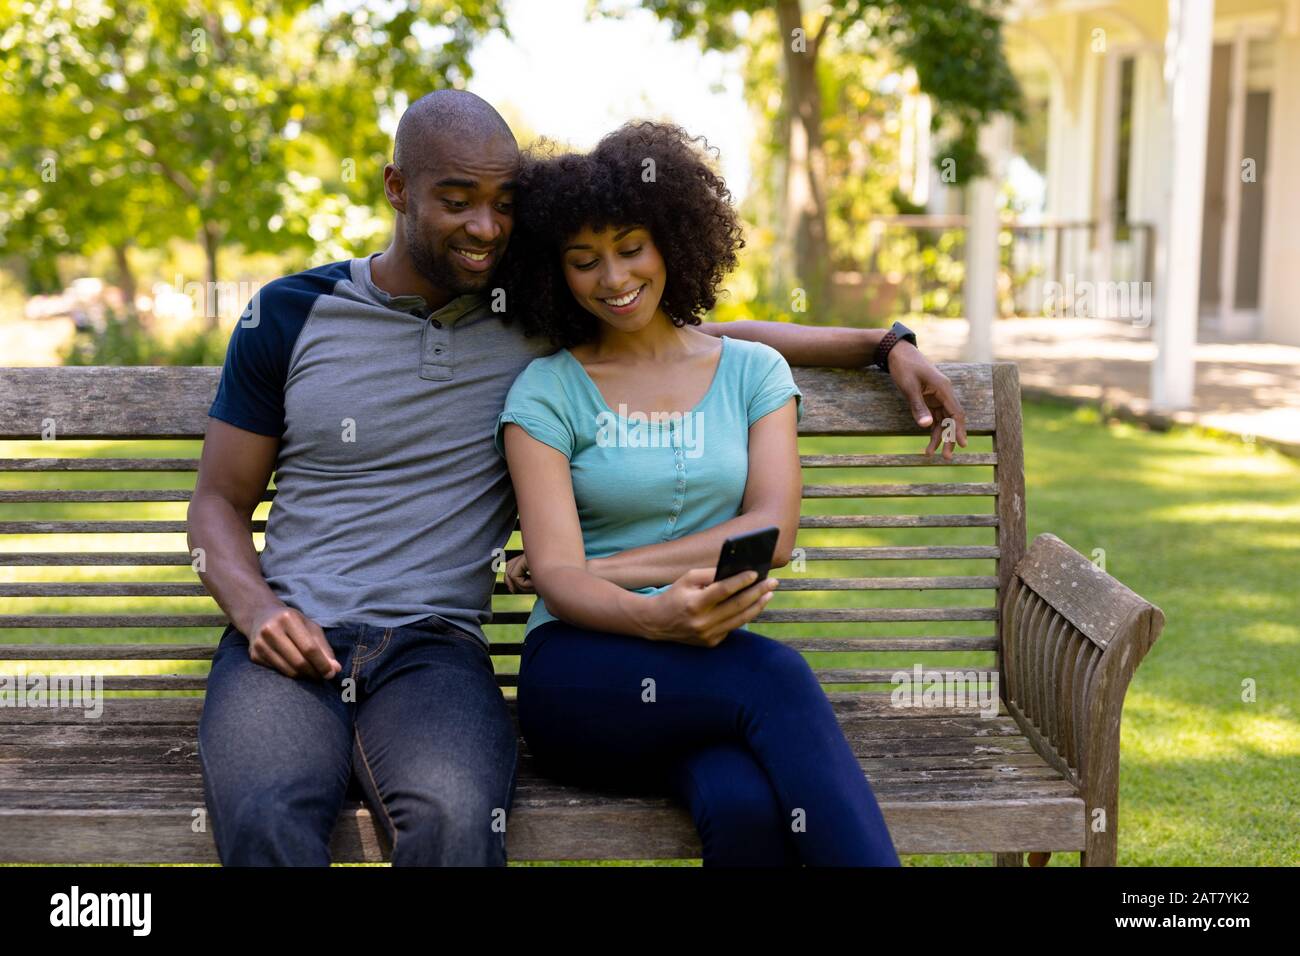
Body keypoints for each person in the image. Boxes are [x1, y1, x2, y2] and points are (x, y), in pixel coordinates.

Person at [191, 90, 964, 866]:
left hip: (434, 649)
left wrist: (884, 343)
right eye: (457, 202)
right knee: (267, 814)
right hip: (291, 629)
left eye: (503, 204)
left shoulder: (524, 321)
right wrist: (258, 611)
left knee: (465, 818)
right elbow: (219, 500)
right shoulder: (290, 315)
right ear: (397, 188)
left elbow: (687, 340)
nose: (485, 227)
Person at [495, 122, 902, 866]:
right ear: (555, 273)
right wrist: (652, 620)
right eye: (584, 261)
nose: (613, 278)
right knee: (777, 675)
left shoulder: (752, 372)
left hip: (702, 676)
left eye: (631, 248)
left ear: (672, 242)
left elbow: (771, 533)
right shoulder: (546, 392)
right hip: (581, 673)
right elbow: (557, 578)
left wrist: (888, 343)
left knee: (743, 804)